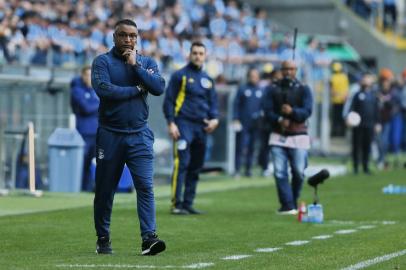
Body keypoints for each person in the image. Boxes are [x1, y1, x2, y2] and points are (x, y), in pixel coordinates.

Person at [91, 19, 166, 255]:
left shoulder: (146, 62)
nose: (128, 40)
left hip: (139, 135)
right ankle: (103, 238)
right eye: (123, 35)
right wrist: (135, 90)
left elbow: (158, 87)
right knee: (105, 190)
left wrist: (136, 68)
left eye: (133, 36)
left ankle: (149, 238)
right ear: (114, 37)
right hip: (110, 135)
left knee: (145, 186)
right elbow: (104, 90)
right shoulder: (102, 62)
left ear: (138, 38)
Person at [163, 41, 219, 215]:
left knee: (196, 166)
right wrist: (171, 123)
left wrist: (215, 119)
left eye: (201, 53)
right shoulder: (180, 76)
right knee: (182, 164)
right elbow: (169, 101)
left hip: (201, 127)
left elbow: (213, 103)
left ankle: (188, 203)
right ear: (189, 54)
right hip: (183, 124)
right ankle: (176, 204)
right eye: (195, 53)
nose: (197, 56)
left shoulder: (208, 80)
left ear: (205, 56)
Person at [262, 60, 313, 215]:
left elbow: (307, 111)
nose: (288, 72)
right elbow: (267, 110)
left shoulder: (304, 89)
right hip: (278, 135)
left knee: (298, 171)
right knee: (279, 172)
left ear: (296, 70)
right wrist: (278, 119)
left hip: (299, 135)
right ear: (281, 70)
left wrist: (292, 112)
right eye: (286, 69)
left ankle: (292, 199)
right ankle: (287, 205)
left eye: (291, 69)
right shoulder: (272, 89)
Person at [70, 65, 99, 192]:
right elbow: (86, 108)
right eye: (87, 75)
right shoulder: (77, 90)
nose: (89, 78)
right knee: (82, 162)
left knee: (97, 161)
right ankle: (79, 188)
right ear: (82, 76)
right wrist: (101, 104)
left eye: (91, 75)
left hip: (98, 132)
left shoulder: (97, 90)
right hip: (84, 133)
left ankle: (90, 188)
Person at [232, 68, 263, 177]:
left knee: (252, 146)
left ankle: (248, 169)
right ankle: (237, 169)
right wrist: (235, 118)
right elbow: (236, 104)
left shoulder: (261, 90)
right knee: (240, 146)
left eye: (256, 76)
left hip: (256, 123)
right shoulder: (242, 89)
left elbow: (263, 106)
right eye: (252, 76)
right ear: (248, 76)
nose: (254, 78)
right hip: (243, 122)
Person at [346, 73, 380, 174]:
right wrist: (349, 118)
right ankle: (356, 167)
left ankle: (365, 167)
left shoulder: (373, 96)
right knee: (356, 146)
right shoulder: (357, 95)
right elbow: (351, 108)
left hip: (369, 125)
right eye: (364, 79)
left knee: (367, 146)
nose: (366, 81)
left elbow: (376, 111)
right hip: (358, 125)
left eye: (368, 79)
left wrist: (378, 123)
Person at [329, 62, 349, 137]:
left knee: (335, 118)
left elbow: (331, 90)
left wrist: (335, 94)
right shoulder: (344, 76)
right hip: (342, 100)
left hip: (335, 100)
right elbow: (347, 89)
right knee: (341, 117)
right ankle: (342, 133)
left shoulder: (332, 77)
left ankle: (335, 133)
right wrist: (345, 96)